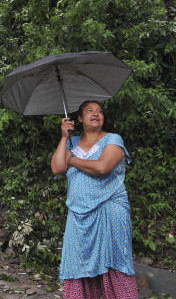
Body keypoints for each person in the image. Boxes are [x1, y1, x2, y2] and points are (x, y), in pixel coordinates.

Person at [51, 100, 137, 299]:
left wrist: (71, 159)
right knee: (77, 264)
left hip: (110, 209)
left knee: (115, 262)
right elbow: (57, 168)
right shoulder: (71, 143)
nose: (95, 114)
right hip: (78, 215)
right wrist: (64, 137)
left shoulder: (113, 139)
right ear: (79, 118)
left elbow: (102, 168)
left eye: (99, 111)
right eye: (89, 111)